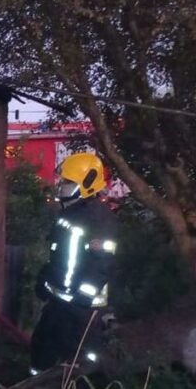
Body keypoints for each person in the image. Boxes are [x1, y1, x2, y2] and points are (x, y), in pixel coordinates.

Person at [30, 153, 118, 375]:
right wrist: (45, 279)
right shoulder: (69, 214)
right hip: (59, 301)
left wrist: (84, 296)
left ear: (87, 183)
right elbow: (60, 254)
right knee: (42, 349)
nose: (62, 185)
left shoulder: (99, 218)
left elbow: (102, 263)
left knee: (82, 361)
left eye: (68, 181)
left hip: (83, 309)